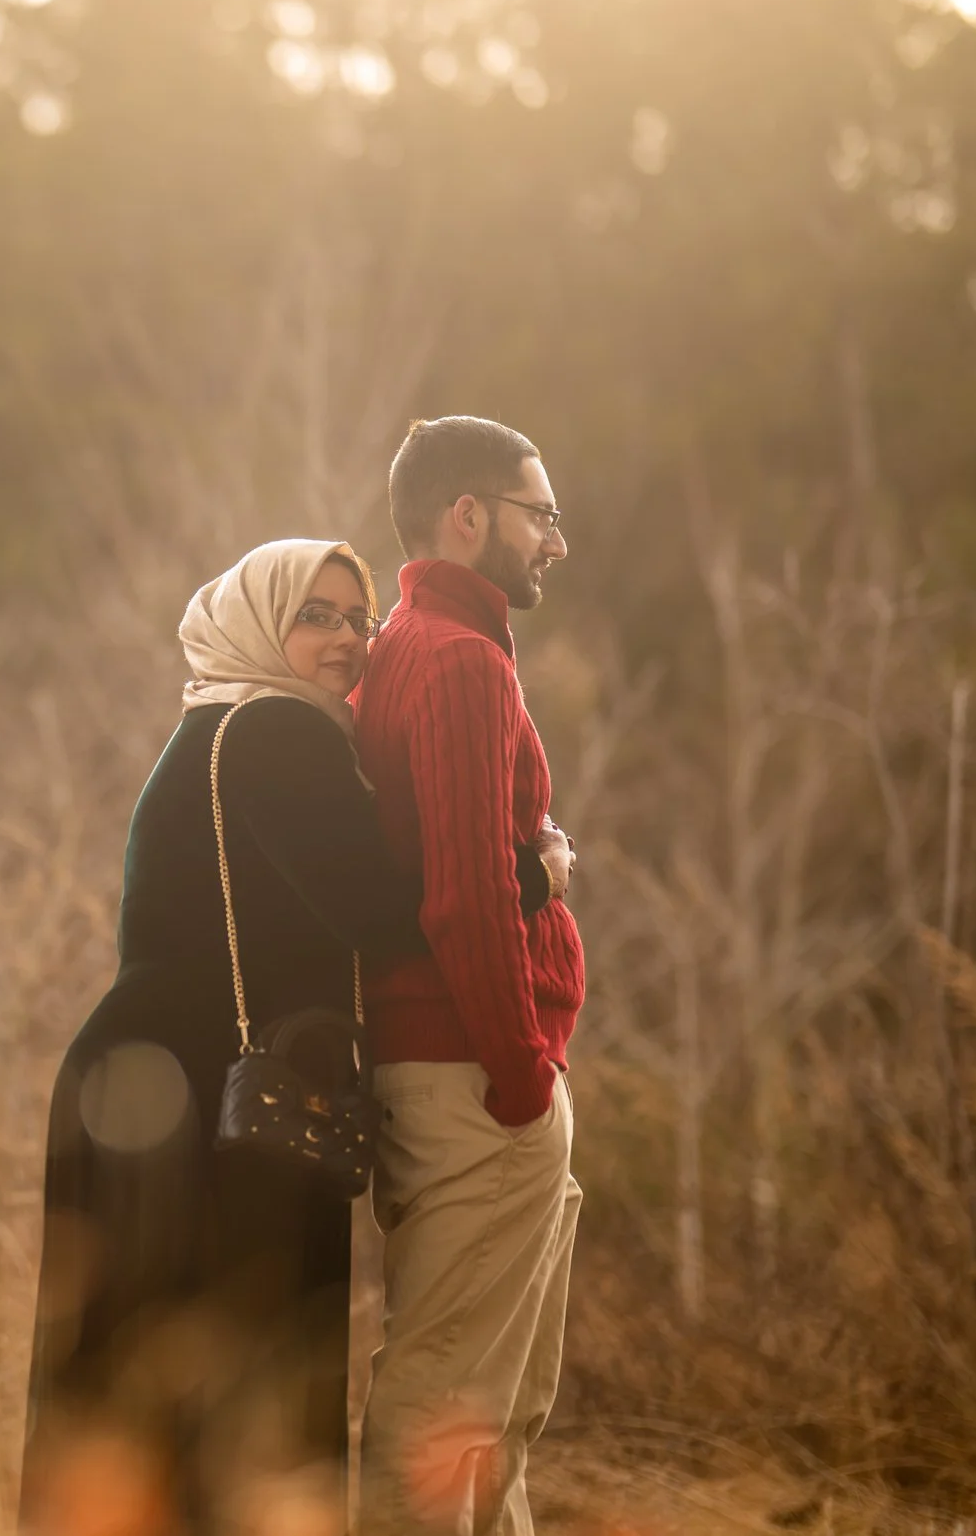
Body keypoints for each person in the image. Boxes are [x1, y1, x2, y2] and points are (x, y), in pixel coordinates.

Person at [20, 538, 555, 1536]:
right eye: (314, 614)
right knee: (237, 1370)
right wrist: (537, 874)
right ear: (259, 621)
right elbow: (389, 913)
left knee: (144, 1379)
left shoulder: (216, 725)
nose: (345, 640)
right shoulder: (275, 731)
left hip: (152, 1084)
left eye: (357, 619)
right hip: (210, 1100)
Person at [353, 417, 586, 1536]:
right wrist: (519, 1076)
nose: (556, 541)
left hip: (462, 1072)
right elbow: (462, 896)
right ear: (469, 516)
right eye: (540, 515)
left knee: (496, 1414)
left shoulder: (415, 642)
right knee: (445, 1404)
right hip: (474, 1079)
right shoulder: (453, 661)